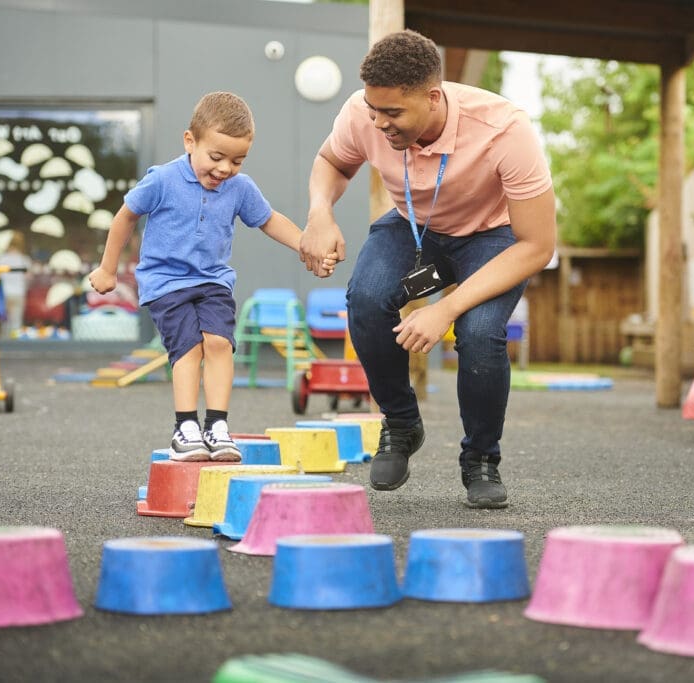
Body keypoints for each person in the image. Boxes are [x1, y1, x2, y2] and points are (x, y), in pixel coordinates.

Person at [299, 30, 556, 509]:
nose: (379, 123)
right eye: (374, 111)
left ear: (433, 97)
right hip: (417, 230)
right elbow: (331, 161)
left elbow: (537, 246)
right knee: (368, 298)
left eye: (393, 113)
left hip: (494, 238)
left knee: (478, 332)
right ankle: (400, 423)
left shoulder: (504, 129)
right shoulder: (364, 112)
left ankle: (480, 458)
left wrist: (446, 308)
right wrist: (320, 213)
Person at [90, 91, 335, 462]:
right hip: (165, 281)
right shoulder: (163, 180)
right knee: (188, 348)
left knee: (219, 343)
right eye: (216, 157)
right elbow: (125, 216)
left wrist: (307, 245)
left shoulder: (239, 187)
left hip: (213, 281)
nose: (225, 169)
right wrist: (108, 268)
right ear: (190, 141)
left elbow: (269, 220)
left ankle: (217, 425)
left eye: (237, 160)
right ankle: (185, 427)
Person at [0, 230, 31, 336]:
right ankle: (15, 343)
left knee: (5, 320)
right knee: (16, 321)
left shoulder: (1, 259)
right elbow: (28, 277)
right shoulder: (24, 259)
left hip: (5, 293)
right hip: (19, 292)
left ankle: (5, 343)